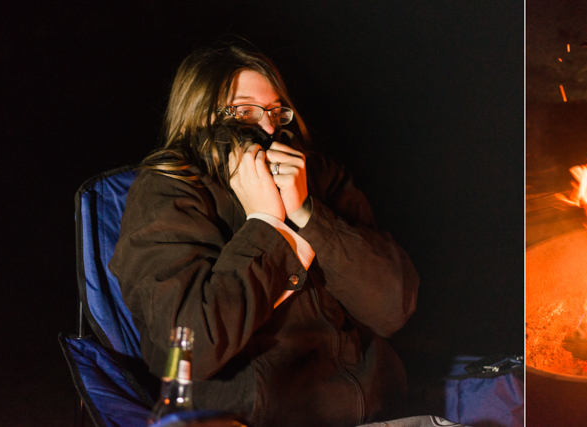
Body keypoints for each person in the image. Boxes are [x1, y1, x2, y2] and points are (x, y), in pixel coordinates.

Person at [109, 44, 419, 427]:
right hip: (255, 417)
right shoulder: (169, 190)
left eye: (275, 111)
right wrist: (265, 223)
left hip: (381, 410)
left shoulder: (317, 175)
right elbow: (191, 347)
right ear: (198, 115)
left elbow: (394, 308)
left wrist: (307, 213)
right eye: (244, 111)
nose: (269, 127)